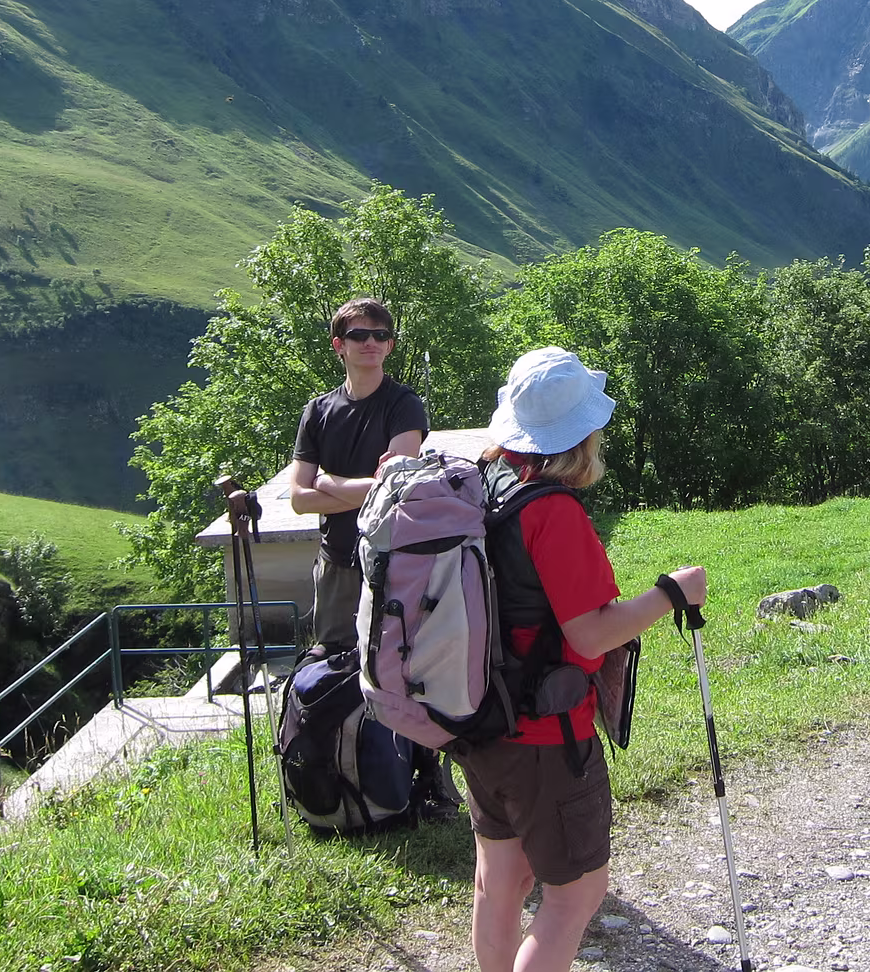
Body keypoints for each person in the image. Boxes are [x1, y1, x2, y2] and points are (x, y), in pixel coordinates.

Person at [459, 346, 708, 972]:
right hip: (548, 735)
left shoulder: (485, 484)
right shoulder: (553, 512)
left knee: (499, 879)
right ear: (581, 436)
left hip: (481, 718)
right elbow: (591, 635)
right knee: (576, 895)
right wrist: (671, 593)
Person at [286, 298, 430, 656]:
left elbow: (398, 490)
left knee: (392, 664)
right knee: (334, 663)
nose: (371, 342)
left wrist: (325, 482)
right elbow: (299, 500)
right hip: (337, 563)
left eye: (380, 335)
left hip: (393, 560)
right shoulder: (317, 411)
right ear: (339, 345)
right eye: (359, 335)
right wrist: (372, 488)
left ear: (390, 346)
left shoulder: (404, 405)